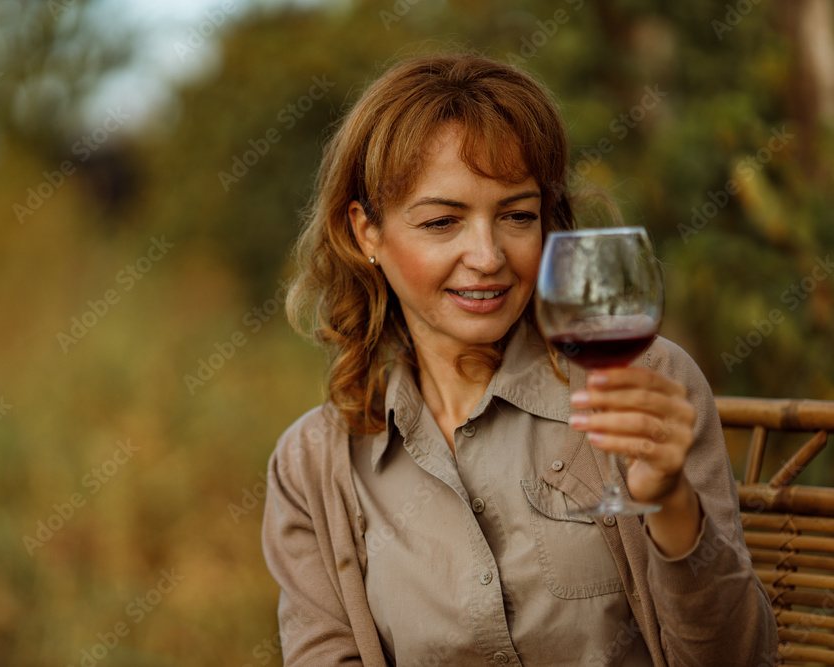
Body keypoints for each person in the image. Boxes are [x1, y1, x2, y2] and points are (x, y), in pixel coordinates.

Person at [262, 54, 777, 666]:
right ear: (365, 232)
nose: (487, 256)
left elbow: (741, 661)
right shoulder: (313, 466)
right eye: (441, 221)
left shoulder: (644, 386)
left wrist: (669, 502)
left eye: (516, 216)